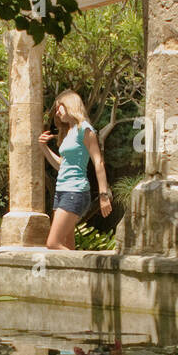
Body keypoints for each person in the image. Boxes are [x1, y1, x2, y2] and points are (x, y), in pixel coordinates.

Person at [38, 91, 113, 249]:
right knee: (67, 245)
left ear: (71, 105)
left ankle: (89, 274)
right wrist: (43, 148)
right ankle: (76, 274)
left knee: (52, 243)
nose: (57, 112)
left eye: (60, 107)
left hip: (75, 192)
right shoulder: (68, 133)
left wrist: (103, 195)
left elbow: (98, 162)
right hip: (62, 191)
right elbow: (61, 165)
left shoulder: (84, 130)